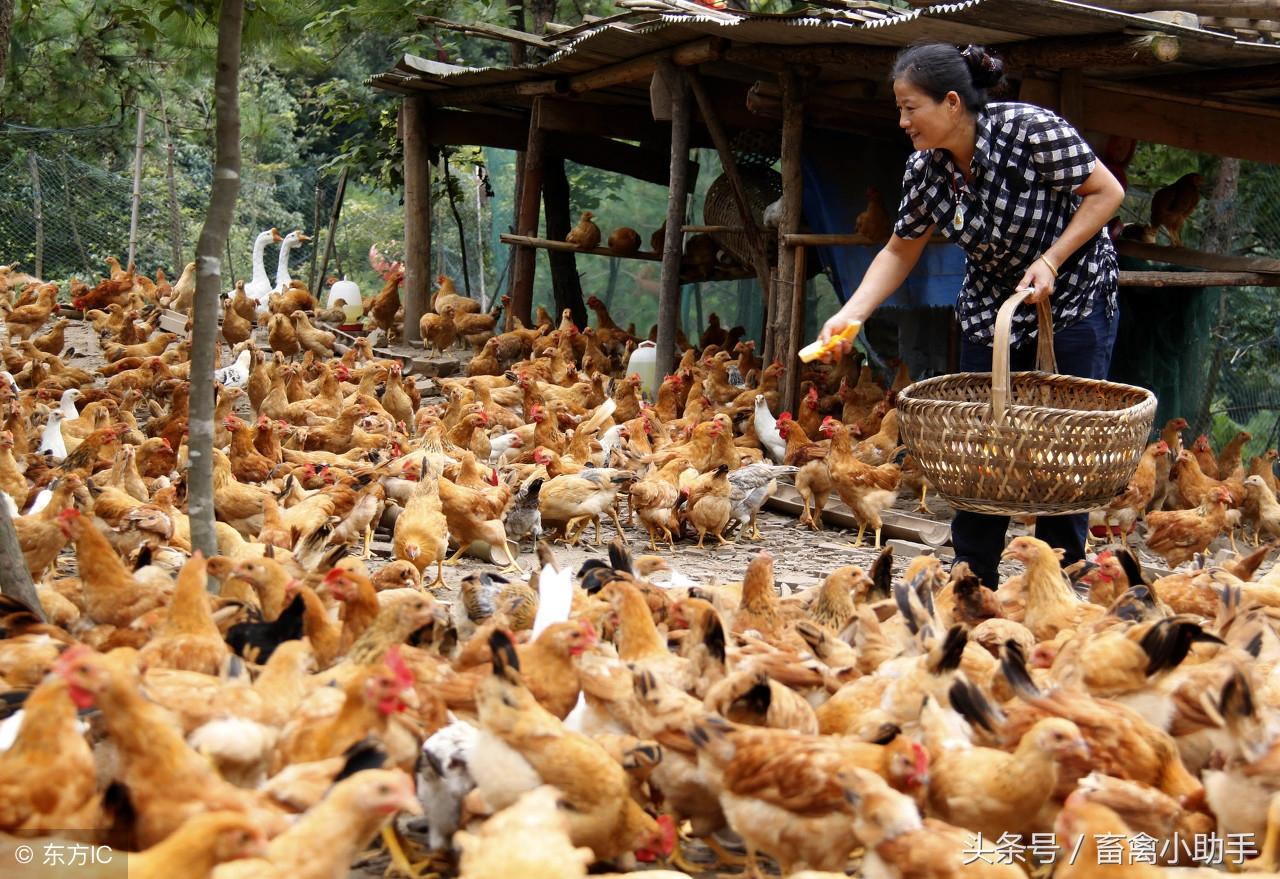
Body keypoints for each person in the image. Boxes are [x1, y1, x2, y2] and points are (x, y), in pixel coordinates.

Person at [819, 43, 1126, 589]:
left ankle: (1059, 574)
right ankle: (973, 574)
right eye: (900, 107)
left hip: (1073, 294)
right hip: (994, 305)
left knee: (1062, 440)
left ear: (953, 103)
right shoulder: (926, 169)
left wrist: (1051, 258)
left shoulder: (1030, 131)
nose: (903, 120)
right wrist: (852, 313)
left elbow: (1107, 192)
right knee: (985, 435)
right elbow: (899, 249)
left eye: (911, 107)